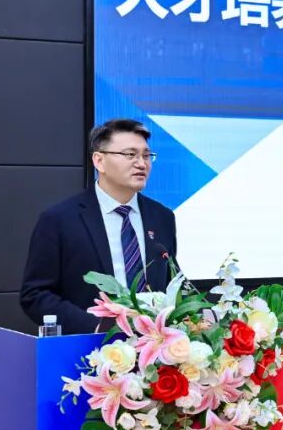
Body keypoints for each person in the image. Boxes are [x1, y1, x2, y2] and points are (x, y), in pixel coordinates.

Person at [20, 118, 178, 334]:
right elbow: (35, 294)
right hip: (90, 345)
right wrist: (96, 327)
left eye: (146, 155)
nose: (142, 164)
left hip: (153, 344)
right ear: (99, 161)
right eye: (130, 154)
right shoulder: (60, 219)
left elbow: (171, 283)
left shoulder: (162, 217)